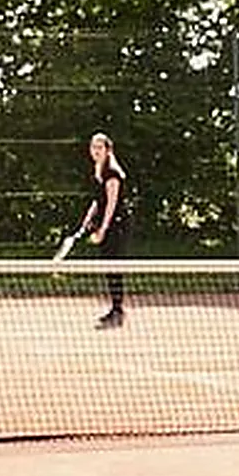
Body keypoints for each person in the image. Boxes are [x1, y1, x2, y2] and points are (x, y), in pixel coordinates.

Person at [78, 131, 132, 330]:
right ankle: (116, 308)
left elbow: (111, 203)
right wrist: (87, 221)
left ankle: (118, 310)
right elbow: (98, 200)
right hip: (108, 223)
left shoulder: (112, 173)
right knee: (108, 267)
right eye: (93, 147)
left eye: (100, 147)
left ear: (108, 150)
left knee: (114, 266)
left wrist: (103, 229)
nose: (95, 151)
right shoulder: (98, 169)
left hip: (117, 224)